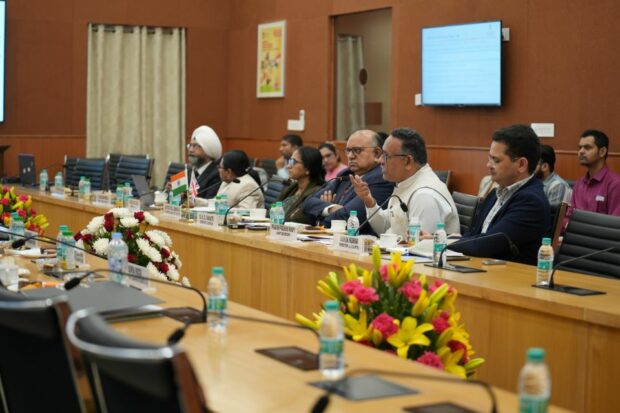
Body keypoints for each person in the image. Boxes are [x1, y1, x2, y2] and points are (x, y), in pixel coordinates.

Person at [449, 124, 550, 265]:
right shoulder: (496, 192)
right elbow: (475, 234)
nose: (488, 165)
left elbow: (485, 245)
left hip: (510, 280)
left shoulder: (531, 202)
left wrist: (442, 244)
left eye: (495, 160)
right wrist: (439, 240)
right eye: (490, 158)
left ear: (521, 164)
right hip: (481, 269)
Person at [351, 127, 460, 238]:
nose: (380, 161)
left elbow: (421, 248)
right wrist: (369, 201)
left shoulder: (424, 196)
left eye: (386, 156)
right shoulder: (406, 183)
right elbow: (385, 228)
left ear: (407, 161)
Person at [302, 129, 394, 234]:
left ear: (377, 153)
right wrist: (331, 208)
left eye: (357, 150)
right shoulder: (346, 174)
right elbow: (308, 203)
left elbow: (349, 217)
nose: (350, 156)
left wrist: (319, 218)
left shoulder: (381, 179)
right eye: (348, 150)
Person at [566, 129, 620, 223]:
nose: (581, 152)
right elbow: (569, 218)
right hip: (575, 236)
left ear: (602, 152)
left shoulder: (615, 184)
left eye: (587, 147)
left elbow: (615, 226)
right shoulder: (579, 184)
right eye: (580, 148)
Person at [275, 146, 325, 225]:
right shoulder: (291, 188)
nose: (288, 166)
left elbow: (297, 220)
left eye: (293, 162)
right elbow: (272, 210)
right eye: (289, 161)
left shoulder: (317, 193)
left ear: (308, 168)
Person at [184, 125, 222, 200]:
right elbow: (173, 200)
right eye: (190, 146)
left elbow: (208, 202)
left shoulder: (217, 174)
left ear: (208, 149)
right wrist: (172, 191)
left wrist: (184, 196)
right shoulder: (189, 171)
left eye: (195, 146)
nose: (190, 150)